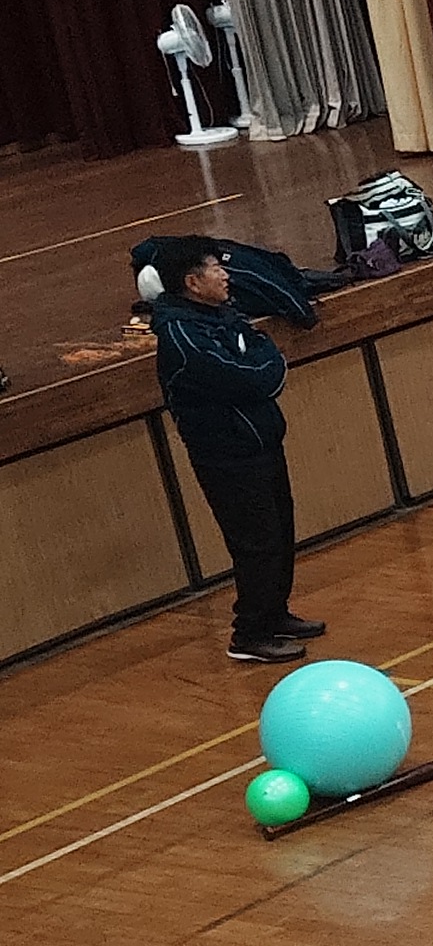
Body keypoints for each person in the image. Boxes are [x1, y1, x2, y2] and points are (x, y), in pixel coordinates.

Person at [149, 246, 319, 664]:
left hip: (262, 444)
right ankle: (249, 634)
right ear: (192, 283)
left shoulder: (223, 315)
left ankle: (275, 614)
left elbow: (265, 353)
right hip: (227, 456)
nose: (225, 275)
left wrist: (264, 368)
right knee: (255, 543)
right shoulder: (183, 337)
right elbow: (252, 377)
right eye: (214, 269)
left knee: (280, 532)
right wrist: (264, 369)